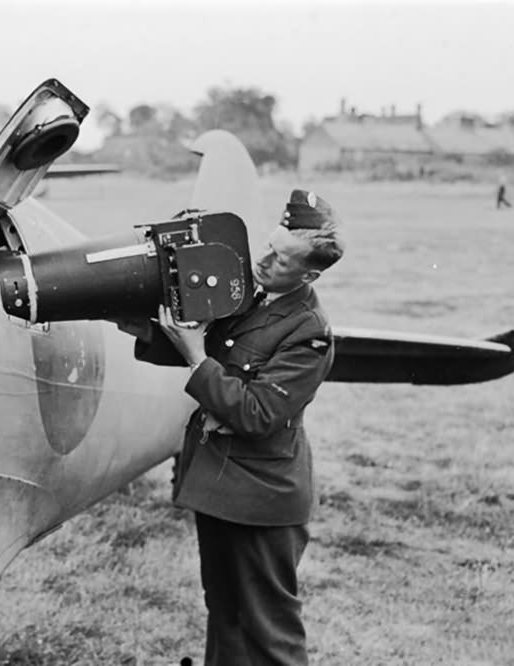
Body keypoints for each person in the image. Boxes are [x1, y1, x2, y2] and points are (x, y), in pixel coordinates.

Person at [120, 189, 345, 665]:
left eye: (281, 259)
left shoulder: (309, 332)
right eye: (268, 245)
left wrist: (196, 356)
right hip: (220, 488)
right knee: (225, 616)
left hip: (262, 501)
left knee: (269, 634)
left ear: (308, 274)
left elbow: (257, 414)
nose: (263, 260)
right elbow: (198, 334)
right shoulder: (252, 294)